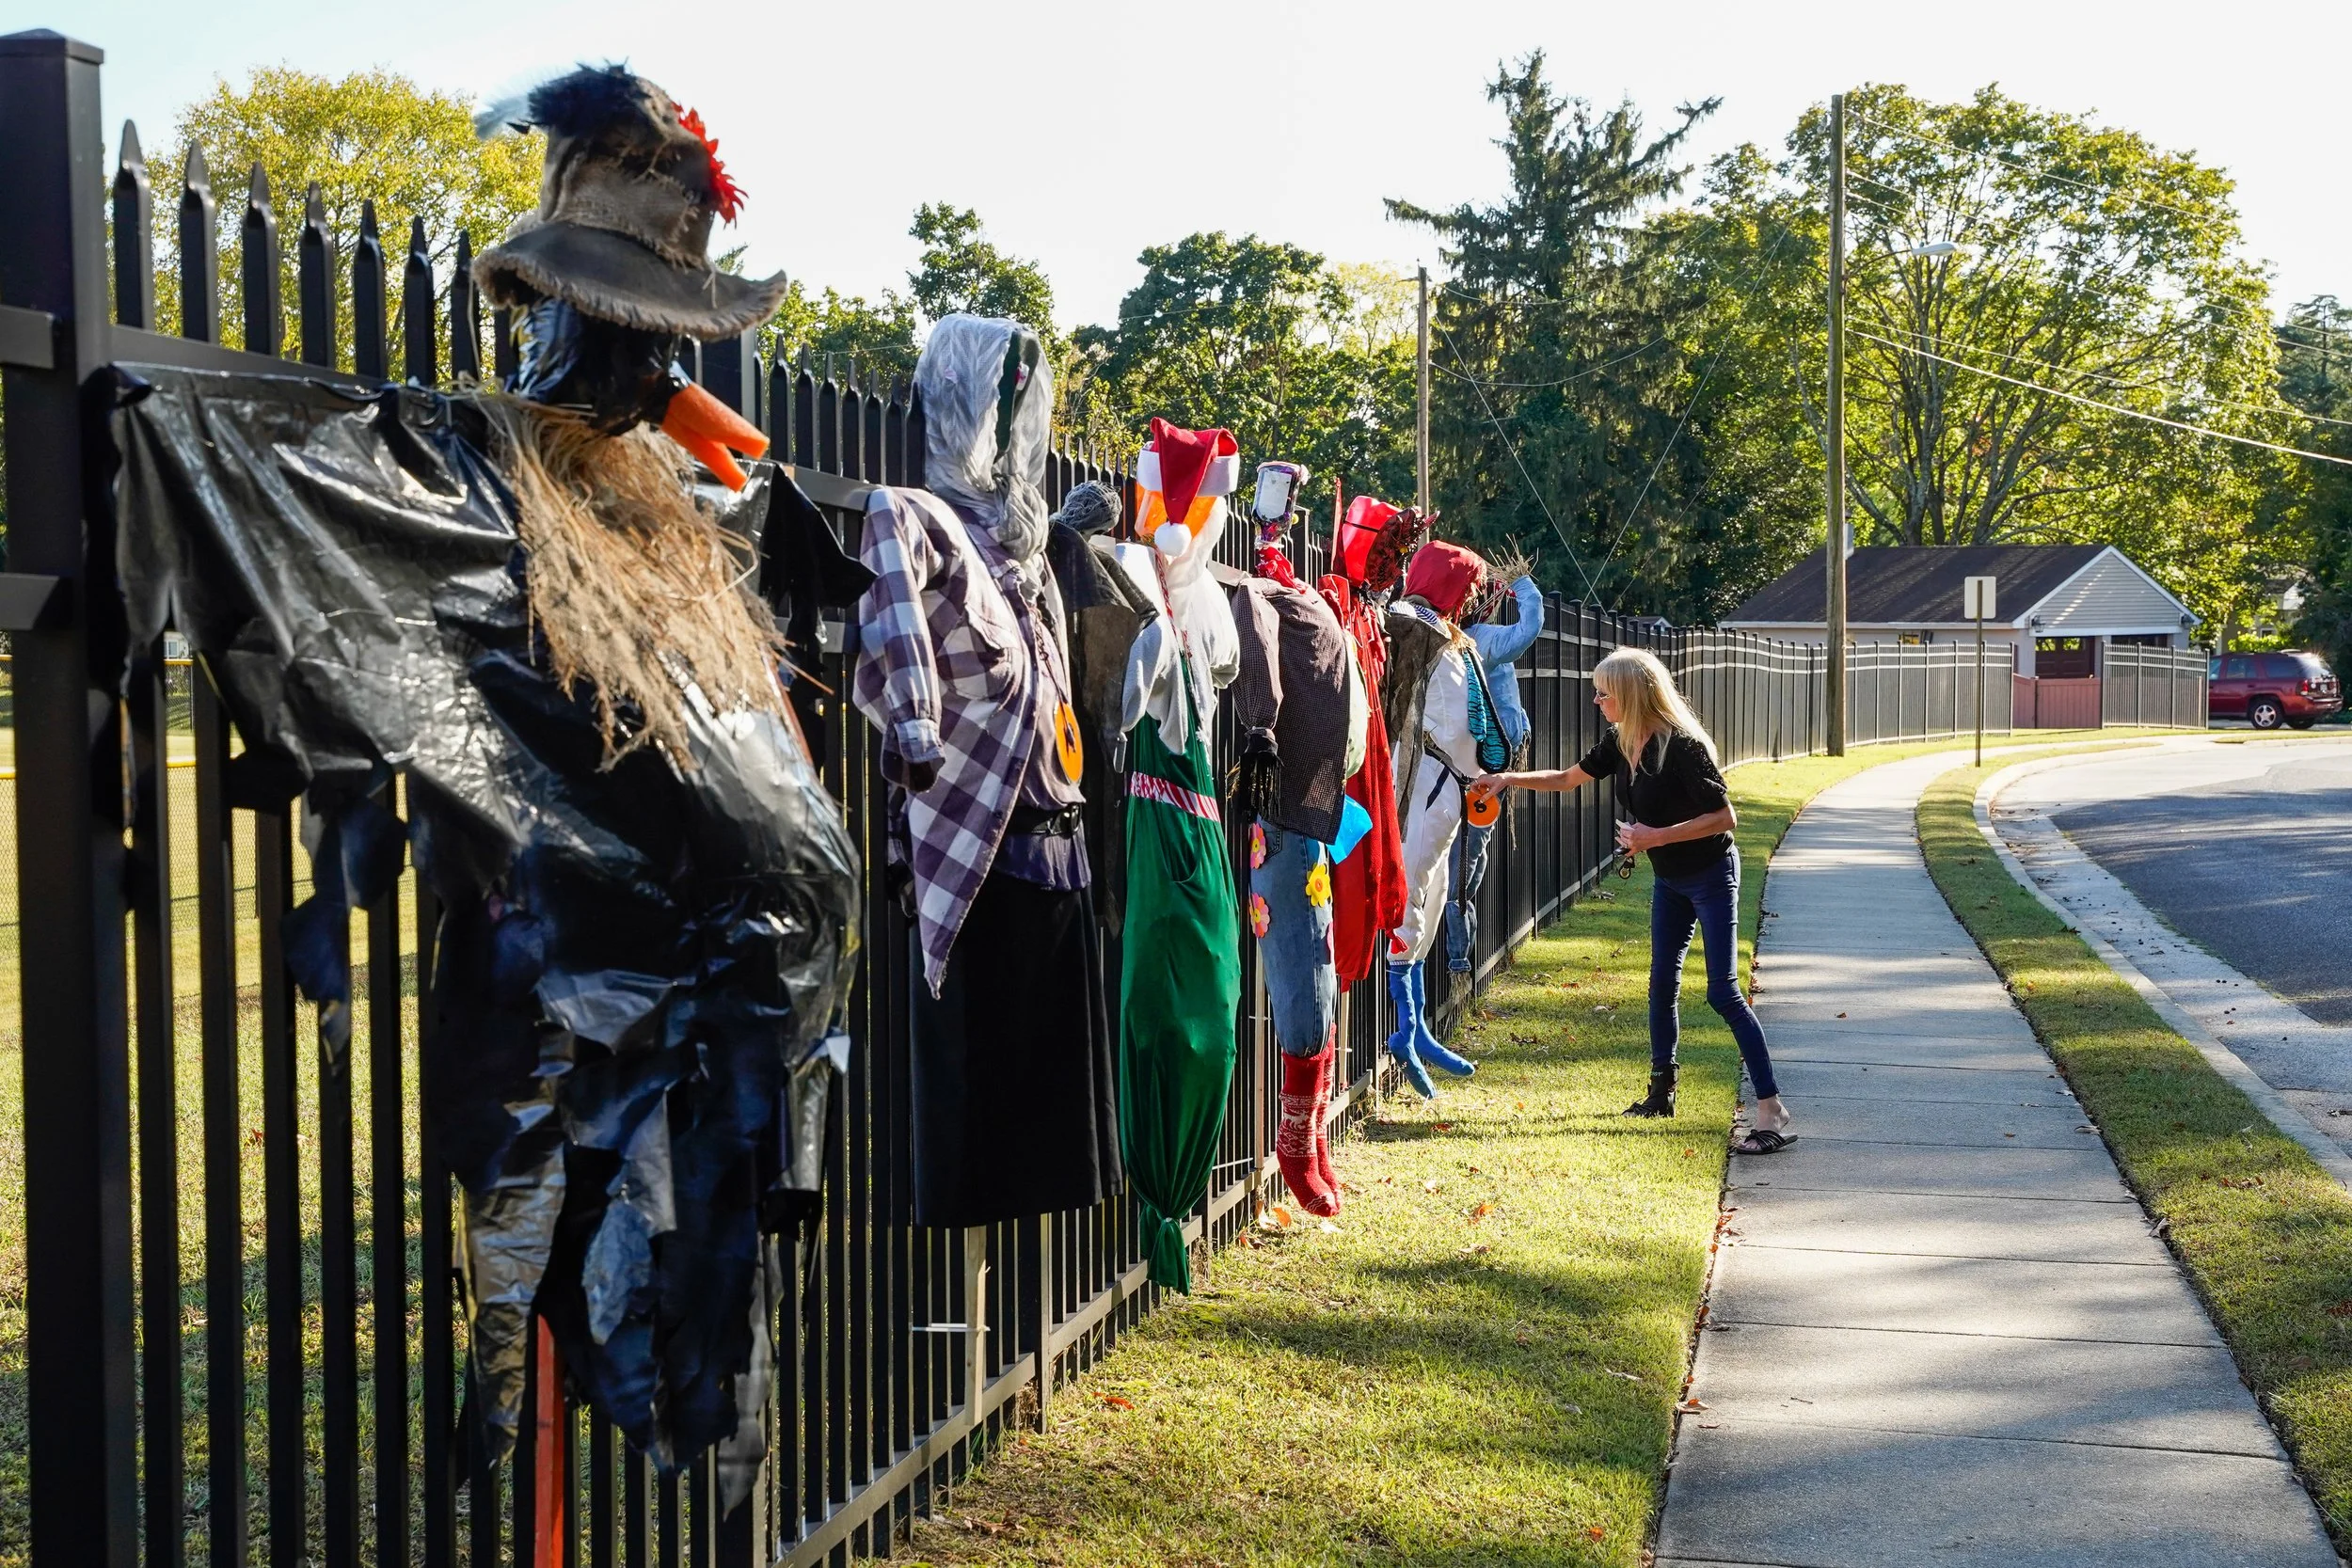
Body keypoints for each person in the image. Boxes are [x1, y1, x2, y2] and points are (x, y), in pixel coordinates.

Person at [1469, 647, 1793, 1152]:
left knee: (1722, 993)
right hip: (1670, 880)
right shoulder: (1621, 742)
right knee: (1661, 983)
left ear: (1632, 694)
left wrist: (1654, 838)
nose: (1597, 701)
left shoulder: (1682, 746)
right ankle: (1661, 1094)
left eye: (1605, 693)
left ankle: (1771, 1109)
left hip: (1709, 874)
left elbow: (1725, 817)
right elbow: (1568, 779)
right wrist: (1508, 779)